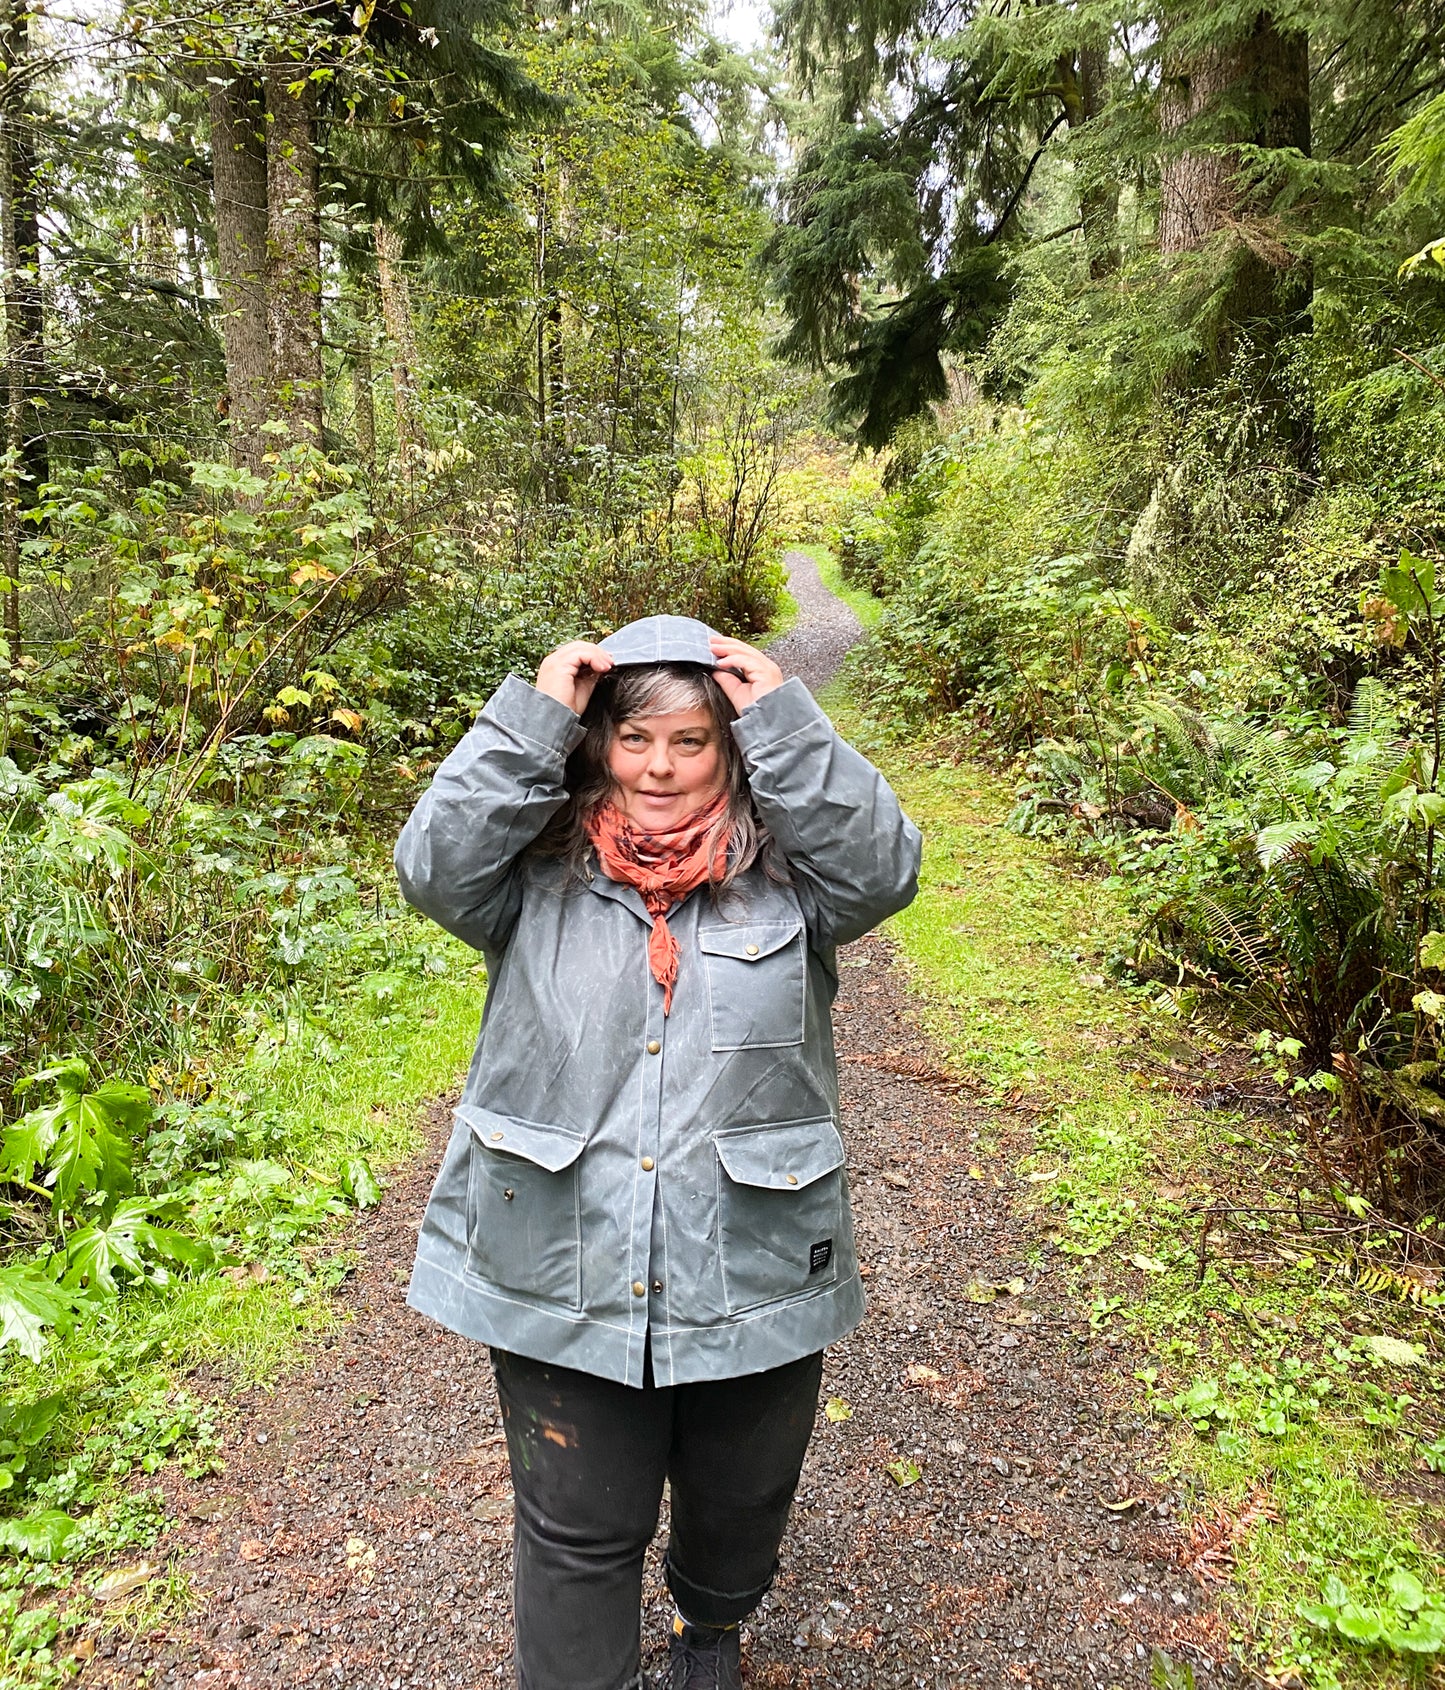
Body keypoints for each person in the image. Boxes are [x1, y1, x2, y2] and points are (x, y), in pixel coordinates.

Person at [394, 614, 921, 1690]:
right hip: (558, 1247)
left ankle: (710, 1622)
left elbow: (887, 867)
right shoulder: (529, 872)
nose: (660, 767)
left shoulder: (794, 879)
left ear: (730, 749)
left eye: (691, 740)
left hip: (755, 1252)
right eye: (635, 740)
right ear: (597, 745)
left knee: (740, 1496)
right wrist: (535, 715)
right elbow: (429, 864)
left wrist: (784, 716)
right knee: (575, 1526)